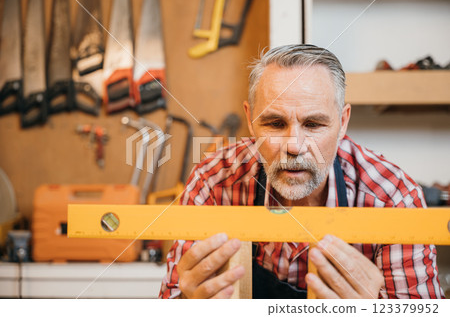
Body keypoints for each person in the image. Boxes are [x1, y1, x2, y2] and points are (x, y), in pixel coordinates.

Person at [158, 44, 444, 299]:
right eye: (274, 123)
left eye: (313, 125)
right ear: (249, 119)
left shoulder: (393, 199)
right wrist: (187, 305)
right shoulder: (214, 181)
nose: (294, 147)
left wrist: (376, 310)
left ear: (342, 122)